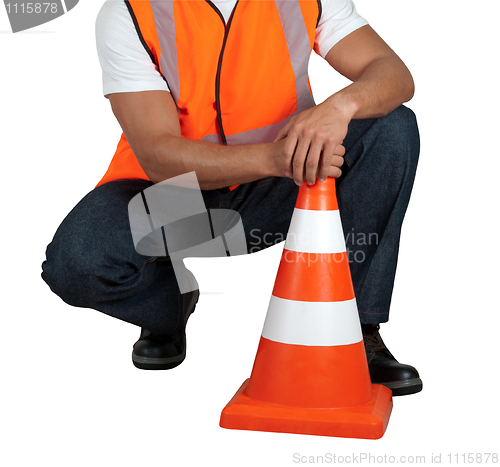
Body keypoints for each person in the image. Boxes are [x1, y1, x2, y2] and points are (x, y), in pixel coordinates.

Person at [41, 0, 422, 396]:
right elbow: (157, 154)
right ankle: (169, 306)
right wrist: (275, 158)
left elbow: (394, 74)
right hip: (176, 199)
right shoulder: (129, 12)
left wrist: (340, 106)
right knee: (77, 264)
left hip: (284, 189)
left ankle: (356, 331)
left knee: (390, 127)